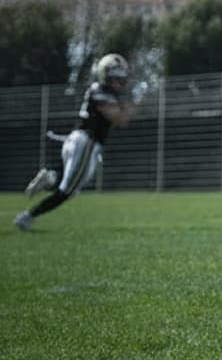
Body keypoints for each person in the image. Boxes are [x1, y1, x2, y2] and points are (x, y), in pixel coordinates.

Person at [14, 54, 135, 230]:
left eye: (121, 78)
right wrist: (132, 108)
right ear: (105, 76)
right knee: (68, 191)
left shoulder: (101, 91)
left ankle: (51, 179)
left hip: (78, 141)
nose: (119, 82)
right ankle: (27, 217)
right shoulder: (101, 91)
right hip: (86, 143)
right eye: (115, 78)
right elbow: (119, 119)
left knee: (70, 188)